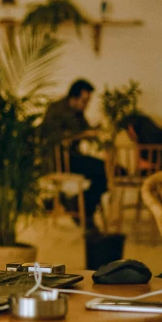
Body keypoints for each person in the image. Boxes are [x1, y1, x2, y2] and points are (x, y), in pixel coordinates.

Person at [41, 79, 107, 231]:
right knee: (102, 170)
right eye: (84, 100)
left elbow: (85, 130)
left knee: (108, 171)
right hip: (57, 159)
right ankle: (82, 208)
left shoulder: (78, 113)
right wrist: (84, 134)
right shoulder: (57, 110)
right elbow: (55, 137)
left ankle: (80, 204)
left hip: (73, 156)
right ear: (74, 98)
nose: (86, 104)